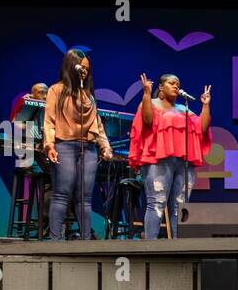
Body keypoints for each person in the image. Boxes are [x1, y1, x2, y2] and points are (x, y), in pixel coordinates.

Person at [129, 72, 211, 240]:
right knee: (157, 203)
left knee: (180, 207)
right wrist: (145, 93)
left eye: (178, 85)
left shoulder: (184, 109)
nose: (176, 86)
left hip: (182, 162)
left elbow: (201, 130)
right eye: (172, 83)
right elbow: (147, 120)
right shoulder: (151, 103)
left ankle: (178, 250)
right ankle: (150, 249)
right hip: (157, 160)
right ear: (160, 87)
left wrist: (205, 106)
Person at [42, 48, 113, 240]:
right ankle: (56, 241)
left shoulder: (88, 96)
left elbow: (97, 125)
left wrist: (105, 147)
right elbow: (48, 121)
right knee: (61, 195)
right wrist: (49, 145)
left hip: (88, 148)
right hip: (64, 145)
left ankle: (85, 242)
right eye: (82, 68)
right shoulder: (55, 90)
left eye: (88, 69)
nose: (85, 72)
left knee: (85, 199)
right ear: (72, 67)